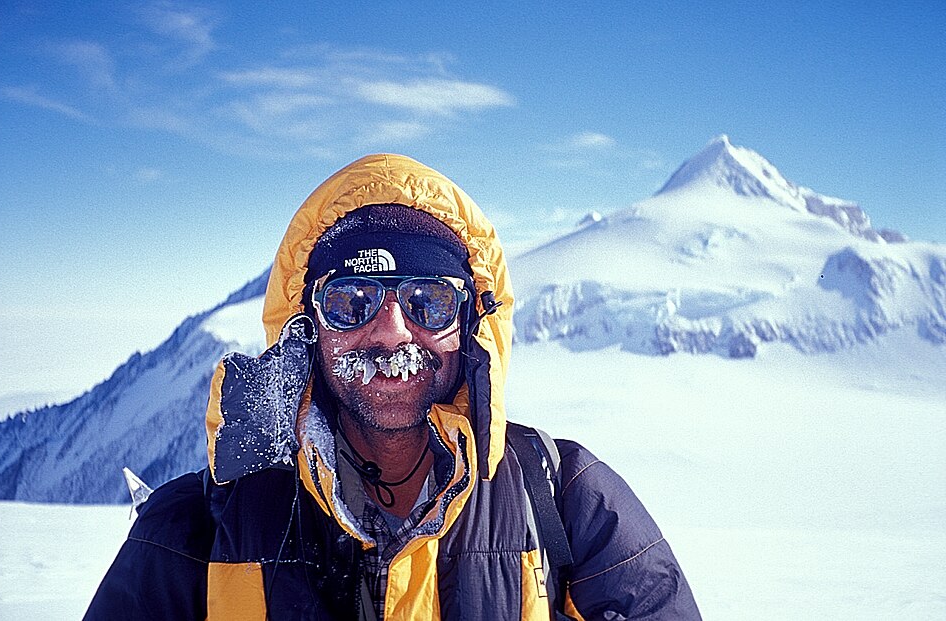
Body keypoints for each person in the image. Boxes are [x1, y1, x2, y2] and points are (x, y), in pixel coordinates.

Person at [85, 154, 700, 620]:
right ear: (306, 328)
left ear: (473, 324)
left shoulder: (569, 503)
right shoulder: (191, 534)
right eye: (353, 300)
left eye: (429, 301)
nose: (393, 332)